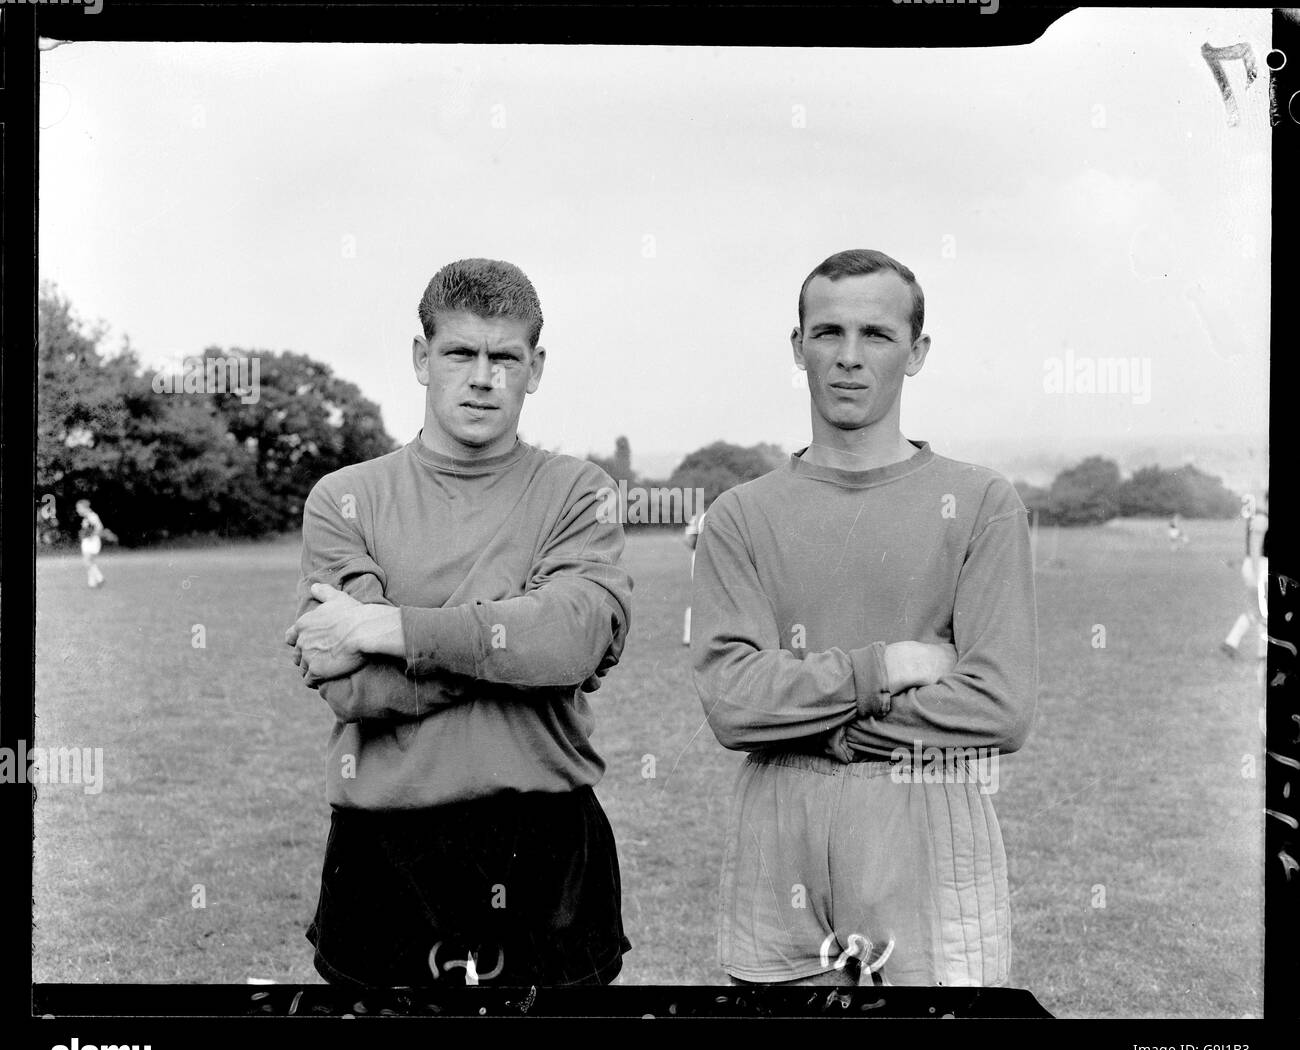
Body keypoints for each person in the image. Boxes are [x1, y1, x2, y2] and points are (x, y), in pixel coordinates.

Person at [691, 249, 1037, 987]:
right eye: (827, 333)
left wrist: (823, 720)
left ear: (916, 353)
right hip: (778, 834)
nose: (849, 358)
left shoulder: (981, 503)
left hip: (927, 814)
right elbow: (732, 706)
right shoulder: (740, 517)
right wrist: (883, 670)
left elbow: (1000, 708)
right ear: (798, 347)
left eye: (876, 336)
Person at [285, 258, 634, 988]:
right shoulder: (343, 498)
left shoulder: (579, 491)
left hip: (546, 844)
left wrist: (387, 631)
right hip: (385, 850)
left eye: (505, 357)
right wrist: (518, 652)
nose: (484, 377)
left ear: (534, 368)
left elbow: (570, 642)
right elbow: (354, 695)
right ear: (421, 359)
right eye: (460, 353)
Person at [1222, 491, 1267, 660]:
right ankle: (1263, 653)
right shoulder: (1262, 519)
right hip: (1260, 567)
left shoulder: (1261, 518)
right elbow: (1255, 548)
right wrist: (1257, 574)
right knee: (1264, 611)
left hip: (1257, 566)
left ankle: (1231, 642)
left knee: (1256, 612)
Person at [681, 506, 708, 646]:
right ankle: (690, 636)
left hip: (702, 555)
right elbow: (689, 539)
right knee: (700, 596)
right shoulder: (700, 516)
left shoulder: (700, 515)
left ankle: (691, 636)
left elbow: (687, 539)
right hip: (702, 556)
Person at [76, 499, 106, 588]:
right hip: (88, 541)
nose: (77, 510)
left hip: (92, 541)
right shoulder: (86, 518)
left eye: (79, 508)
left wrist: (91, 535)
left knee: (87, 561)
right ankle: (92, 582)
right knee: (90, 562)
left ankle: (100, 578)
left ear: (84, 508)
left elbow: (100, 527)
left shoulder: (92, 516)